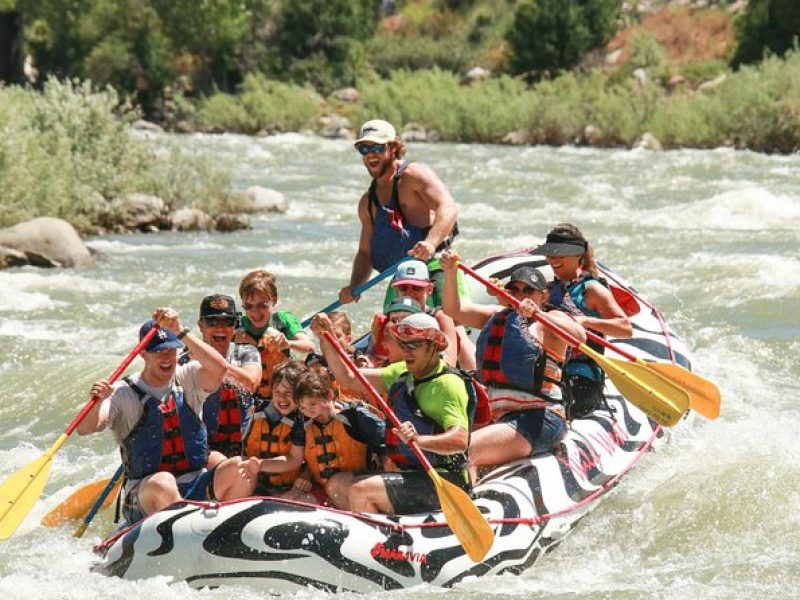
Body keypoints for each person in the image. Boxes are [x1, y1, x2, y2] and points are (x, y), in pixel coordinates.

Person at [77, 309, 254, 524]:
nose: (167, 358)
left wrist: (180, 331)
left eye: (171, 350)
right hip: (147, 493)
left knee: (240, 466)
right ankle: (187, 530)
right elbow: (87, 428)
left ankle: (228, 528)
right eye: (158, 351)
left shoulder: (186, 377)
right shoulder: (122, 392)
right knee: (164, 482)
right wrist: (96, 402)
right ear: (143, 354)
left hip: (194, 483)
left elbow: (219, 368)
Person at [439, 250, 587, 480]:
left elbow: (579, 337)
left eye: (528, 290)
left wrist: (539, 314)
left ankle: (468, 506)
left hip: (540, 419)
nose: (520, 295)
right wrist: (449, 272)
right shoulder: (496, 315)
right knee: (445, 447)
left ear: (543, 296)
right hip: (503, 419)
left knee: (461, 451)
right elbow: (454, 310)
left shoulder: (550, 321)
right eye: (514, 289)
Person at [311, 312, 472, 515]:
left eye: (413, 345)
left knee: (360, 490)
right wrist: (326, 339)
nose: (406, 352)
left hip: (444, 480)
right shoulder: (401, 372)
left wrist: (419, 440)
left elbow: (459, 441)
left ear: (432, 346)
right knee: (337, 484)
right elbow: (349, 378)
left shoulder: (448, 384)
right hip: (408, 474)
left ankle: (377, 541)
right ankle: (387, 524)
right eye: (402, 344)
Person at [337, 119, 459, 306]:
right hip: (403, 278)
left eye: (377, 148)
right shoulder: (367, 203)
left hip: (437, 266)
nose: (370, 154)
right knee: (390, 327)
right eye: (364, 149)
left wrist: (430, 242)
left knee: (447, 319)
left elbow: (448, 206)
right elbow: (364, 252)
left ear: (393, 147)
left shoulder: (413, 175)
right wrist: (354, 286)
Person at [532, 223, 632, 419]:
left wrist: (585, 322)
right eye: (549, 254)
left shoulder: (592, 289)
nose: (552, 259)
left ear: (578, 255)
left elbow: (625, 328)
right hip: (550, 372)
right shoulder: (549, 290)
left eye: (559, 254)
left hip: (582, 379)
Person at [179, 294, 261, 465]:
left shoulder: (247, 352)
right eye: (212, 322)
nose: (220, 329)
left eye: (227, 322)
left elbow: (251, 383)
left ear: (235, 326)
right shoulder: (184, 360)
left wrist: (214, 364)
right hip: (202, 447)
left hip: (244, 446)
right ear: (201, 325)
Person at [293, 365, 386, 509]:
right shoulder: (304, 425)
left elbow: (384, 442)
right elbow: (310, 460)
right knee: (290, 498)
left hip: (357, 484)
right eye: (302, 407)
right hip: (325, 489)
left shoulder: (355, 416)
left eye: (313, 403)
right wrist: (306, 474)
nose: (308, 411)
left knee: (335, 484)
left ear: (329, 395)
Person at [238, 361, 316, 503]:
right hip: (253, 480)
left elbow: (295, 460)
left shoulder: (302, 420)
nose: (282, 398)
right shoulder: (255, 409)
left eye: (288, 393)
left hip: (287, 486)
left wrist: (261, 465)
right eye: (277, 392)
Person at [233, 269, 314, 402]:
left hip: (282, 393)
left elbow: (309, 347)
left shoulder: (282, 320)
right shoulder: (235, 326)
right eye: (249, 306)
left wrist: (288, 343)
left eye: (262, 305)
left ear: (274, 300)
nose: (255, 312)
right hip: (248, 395)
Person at [387, 259, 475, 369]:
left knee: (460, 334)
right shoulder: (391, 318)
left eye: (417, 288)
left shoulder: (440, 317)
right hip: (396, 376)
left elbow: (448, 362)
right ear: (396, 291)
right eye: (403, 288)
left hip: (430, 376)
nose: (409, 293)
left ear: (429, 289)